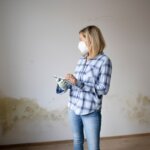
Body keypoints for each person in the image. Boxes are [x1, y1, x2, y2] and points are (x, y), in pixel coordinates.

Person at [56, 25, 112, 150]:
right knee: (77, 140)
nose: (79, 43)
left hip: (90, 111)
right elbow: (76, 84)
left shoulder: (104, 61)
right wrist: (67, 82)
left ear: (91, 40)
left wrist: (78, 83)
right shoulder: (81, 60)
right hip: (73, 108)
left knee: (93, 147)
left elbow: (104, 88)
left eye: (81, 39)